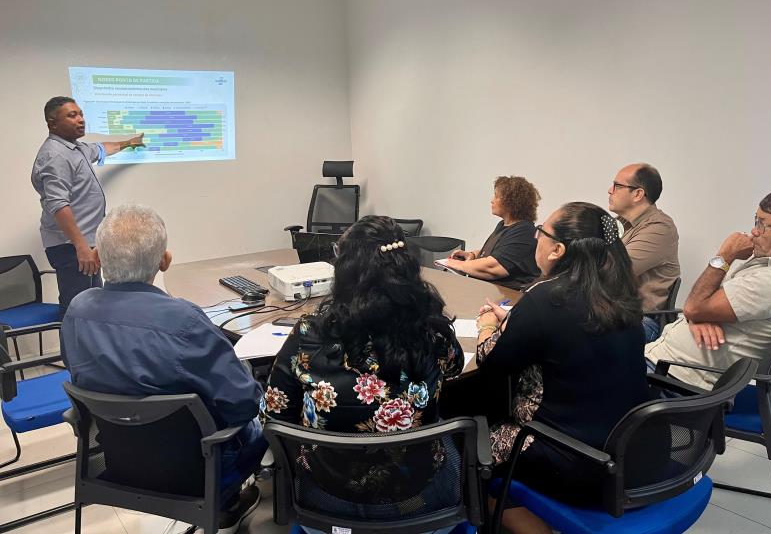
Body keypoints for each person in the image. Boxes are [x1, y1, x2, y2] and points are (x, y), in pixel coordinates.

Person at [60, 205, 265, 534]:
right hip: (198, 472)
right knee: (265, 413)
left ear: (96, 257)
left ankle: (227, 504)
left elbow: (79, 373)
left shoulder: (77, 311)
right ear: (165, 261)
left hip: (117, 464)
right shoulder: (185, 322)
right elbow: (243, 404)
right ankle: (231, 500)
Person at [263, 216, 464, 530]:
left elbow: (274, 415)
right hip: (422, 505)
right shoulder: (432, 331)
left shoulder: (309, 334)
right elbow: (454, 367)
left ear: (344, 271)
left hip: (325, 505)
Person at [476, 202, 650, 534]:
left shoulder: (545, 296)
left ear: (558, 250)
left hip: (575, 459)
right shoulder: (618, 292)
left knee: (466, 454)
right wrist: (516, 320)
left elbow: (491, 360)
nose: (535, 237)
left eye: (541, 232)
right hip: (633, 451)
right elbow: (571, 333)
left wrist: (487, 325)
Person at [646, 186, 771, 389]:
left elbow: (695, 306)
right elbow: (701, 301)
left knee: (604, 351)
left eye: (763, 224)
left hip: (673, 380)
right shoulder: (768, 265)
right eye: (756, 220)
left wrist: (724, 256)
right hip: (664, 360)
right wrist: (697, 316)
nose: (754, 231)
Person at [31, 96, 145, 317]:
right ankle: (73, 342)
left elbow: (102, 148)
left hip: (85, 244)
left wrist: (131, 142)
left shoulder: (76, 149)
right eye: (72, 115)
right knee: (78, 310)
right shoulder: (55, 155)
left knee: (95, 308)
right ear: (53, 124)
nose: (81, 119)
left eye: (81, 114)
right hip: (71, 247)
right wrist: (80, 246)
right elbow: (58, 204)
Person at [608, 163, 680, 341]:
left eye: (617, 186)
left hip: (640, 320)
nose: (610, 190)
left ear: (638, 194)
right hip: (611, 313)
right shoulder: (620, 223)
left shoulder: (659, 227)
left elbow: (611, 270)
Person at [445, 176, 541, 290]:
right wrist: (473, 255)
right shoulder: (503, 225)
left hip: (506, 295)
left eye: (496, 196)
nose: (492, 200)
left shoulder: (524, 231)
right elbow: (497, 252)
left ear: (511, 202)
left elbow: (493, 267)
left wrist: (456, 264)